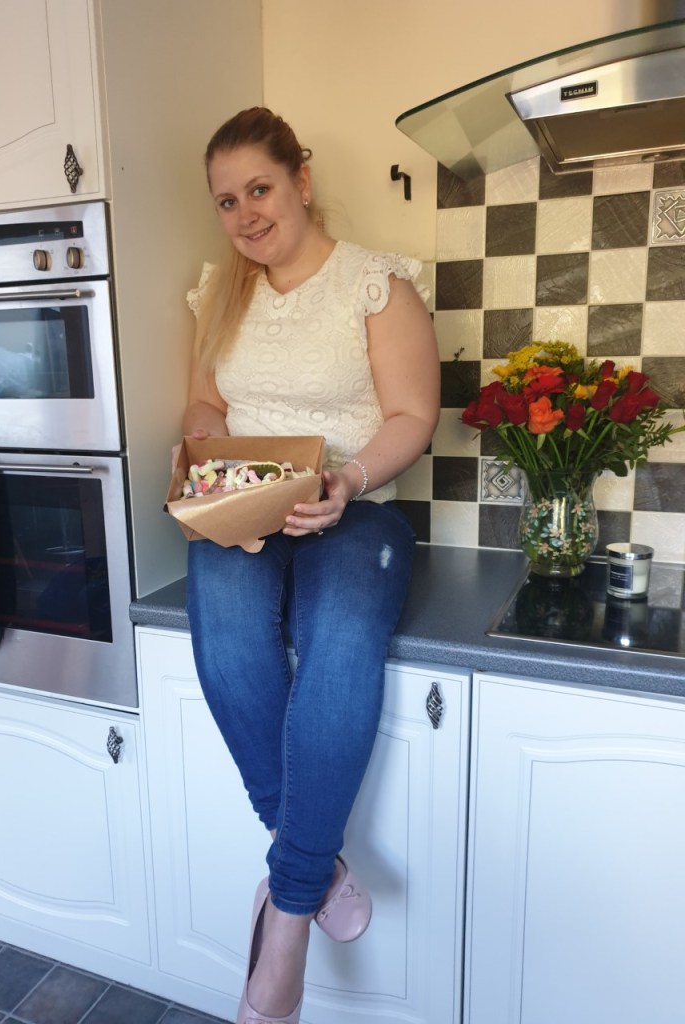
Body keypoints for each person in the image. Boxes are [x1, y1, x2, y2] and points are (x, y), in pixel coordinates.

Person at [177, 106, 440, 1024]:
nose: (246, 214)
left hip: (355, 507)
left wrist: (346, 477)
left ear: (302, 179)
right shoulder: (221, 290)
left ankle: (285, 922)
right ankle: (317, 869)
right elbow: (205, 404)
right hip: (248, 504)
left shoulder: (377, 285)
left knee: (339, 645)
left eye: (259, 188)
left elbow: (412, 413)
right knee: (230, 645)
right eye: (226, 200)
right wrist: (210, 455)